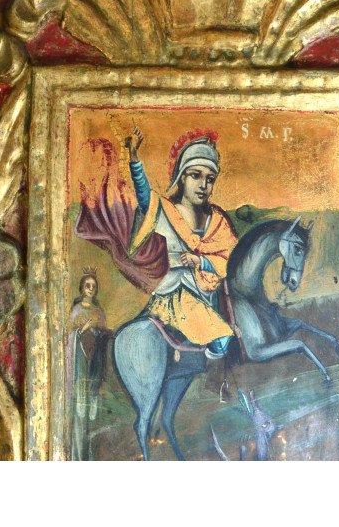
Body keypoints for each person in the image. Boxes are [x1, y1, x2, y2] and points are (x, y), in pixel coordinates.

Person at [125, 128, 237, 359]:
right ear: (182, 177)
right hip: (176, 293)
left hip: (210, 291)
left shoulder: (218, 221)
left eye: (210, 179)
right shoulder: (166, 211)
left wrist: (201, 261)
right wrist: (134, 157)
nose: (203, 185)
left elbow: (230, 258)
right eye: (196, 175)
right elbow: (144, 195)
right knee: (221, 338)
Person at [66, 271, 109, 460]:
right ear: (82, 288)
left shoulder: (98, 312)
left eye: (93, 286)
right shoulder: (75, 310)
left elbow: (103, 334)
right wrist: (82, 330)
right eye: (87, 286)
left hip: (95, 363)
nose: (90, 289)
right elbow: (68, 336)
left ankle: (91, 454)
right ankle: (76, 453)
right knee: (79, 408)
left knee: (93, 408)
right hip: (79, 362)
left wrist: (98, 332)